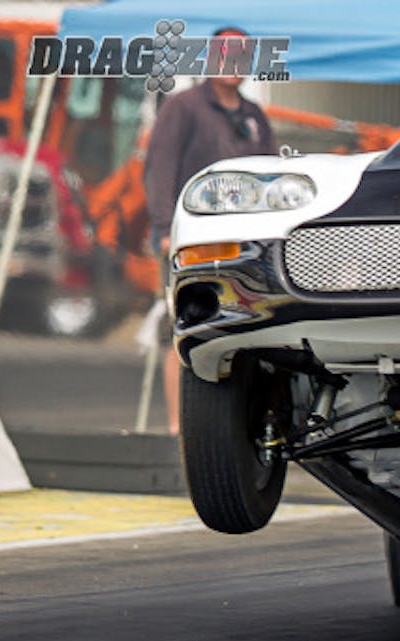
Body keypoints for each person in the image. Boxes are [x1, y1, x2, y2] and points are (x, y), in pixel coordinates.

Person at [143, 27, 276, 434]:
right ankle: (178, 427)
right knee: (185, 327)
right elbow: (159, 169)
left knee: (248, 328)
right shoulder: (183, 108)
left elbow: (273, 177)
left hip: (247, 247)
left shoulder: (253, 117)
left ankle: (239, 429)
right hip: (193, 241)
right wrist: (166, 230)